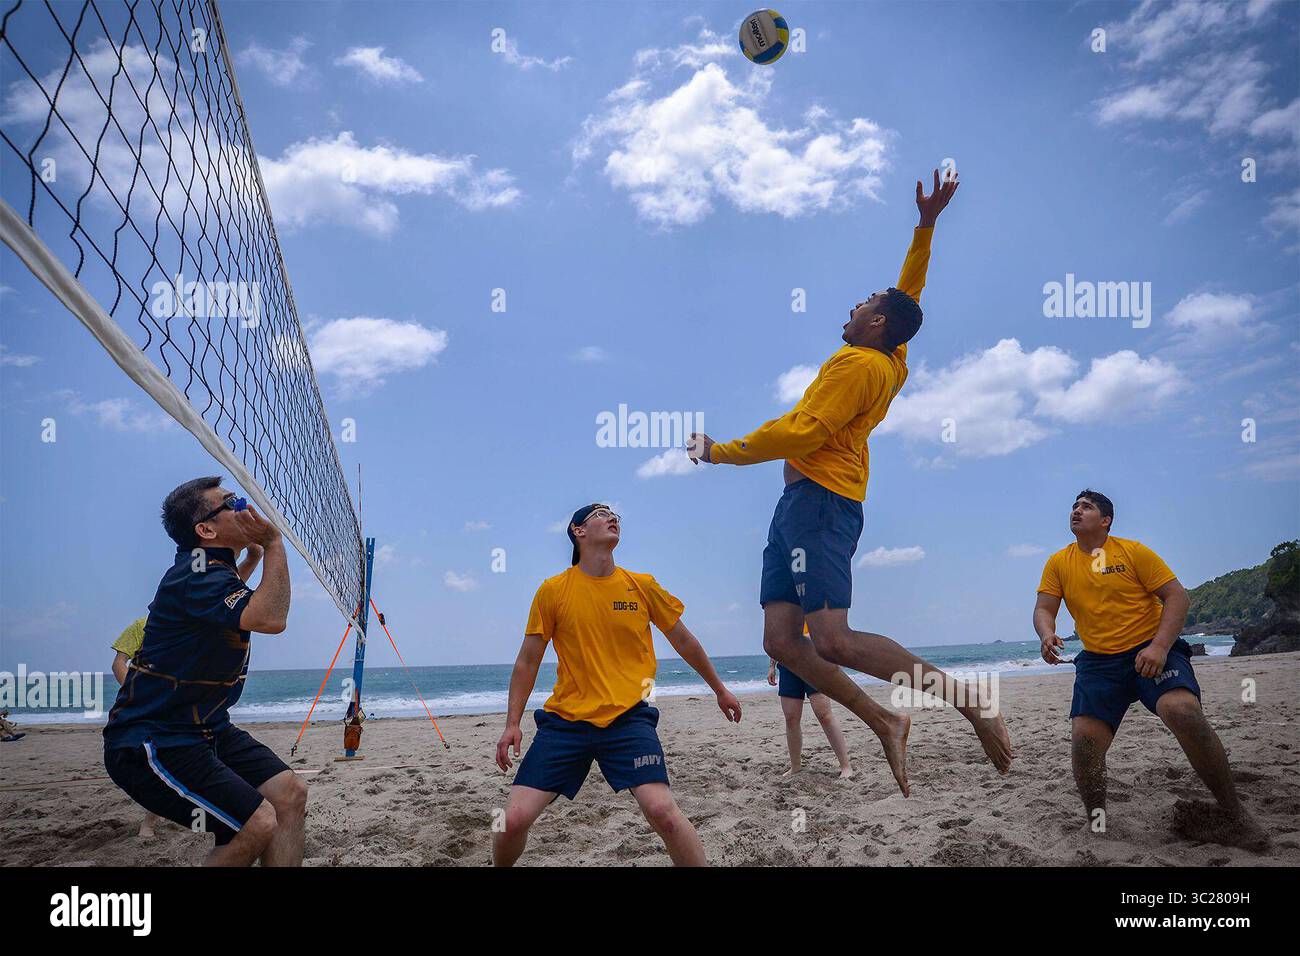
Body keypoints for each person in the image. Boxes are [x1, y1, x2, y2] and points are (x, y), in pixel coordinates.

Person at [690, 171, 1010, 796]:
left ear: (874, 323)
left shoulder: (856, 363)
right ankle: (884, 720)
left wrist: (722, 451)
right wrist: (925, 227)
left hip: (822, 503)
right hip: (797, 507)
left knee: (832, 640)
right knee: (782, 641)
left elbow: (803, 431)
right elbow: (907, 295)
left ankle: (970, 701)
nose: (853, 307)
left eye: (861, 304)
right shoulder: (892, 353)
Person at [493, 503, 743, 866]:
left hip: (629, 720)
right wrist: (512, 723)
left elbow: (684, 640)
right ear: (578, 531)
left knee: (663, 812)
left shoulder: (641, 585)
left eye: (615, 515)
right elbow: (528, 660)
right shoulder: (553, 590)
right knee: (511, 821)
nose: (612, 518)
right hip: (566, 723)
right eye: (600, 514)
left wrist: (720, 689)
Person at [1034, 489, 1267, 849]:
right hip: (1098, 662)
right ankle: (1097, 824)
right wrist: (1047, 633)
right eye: (1074, 506)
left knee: (1183, 712)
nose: (1076, 511)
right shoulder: (1058, 562)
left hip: (1152, 649)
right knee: (1084, 741)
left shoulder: (1133, 552)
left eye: (1087, 507)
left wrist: (1159, 646)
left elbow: (1177, 596)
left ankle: (1235, 814)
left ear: (1106, 520)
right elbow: (1044, 608)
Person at [102, 476, 306, 866]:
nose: (245, 506)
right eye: (233, 502)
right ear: (206, 529)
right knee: (256, 823)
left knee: (289, 794)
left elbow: (226, 604)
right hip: (153, 738)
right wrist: (273, 543)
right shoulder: (196, 575)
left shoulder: (210, 571)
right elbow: (270, 617)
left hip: (208, 726)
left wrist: (249, 559)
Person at [768, 652, 853, 779]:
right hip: (787, 663)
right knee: (791, 718)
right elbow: (777, 635)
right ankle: (795, 766)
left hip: (814, 659)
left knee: (824, 715)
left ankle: (846, 766)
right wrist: (772, 666)